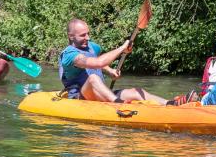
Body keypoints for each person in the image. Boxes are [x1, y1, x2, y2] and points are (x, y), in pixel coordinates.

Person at [59, 19, 196, 105]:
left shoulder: (92, 46)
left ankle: (171, 104)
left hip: (101, 93)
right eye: (83, 35)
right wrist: (121, 49)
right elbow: (97, 63)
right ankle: (119, 104)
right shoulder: (69, 55)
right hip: (80, 97)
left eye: (88, 33)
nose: (87, 38)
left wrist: (110, 70)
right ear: (71, 36)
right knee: (94, 78)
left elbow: (97, 59)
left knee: (137, 92)